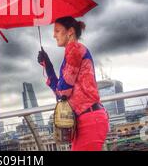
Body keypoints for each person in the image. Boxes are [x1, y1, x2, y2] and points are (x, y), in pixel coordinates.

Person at [37, 16, 109, 151]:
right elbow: (62, 92)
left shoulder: (74, 49)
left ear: (70, 32)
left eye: (57, 31)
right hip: (86, 120)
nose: (54, 35)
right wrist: (48, 66)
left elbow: (63, 92)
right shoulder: (72, 52)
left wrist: (50, 69)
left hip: (89, 121)